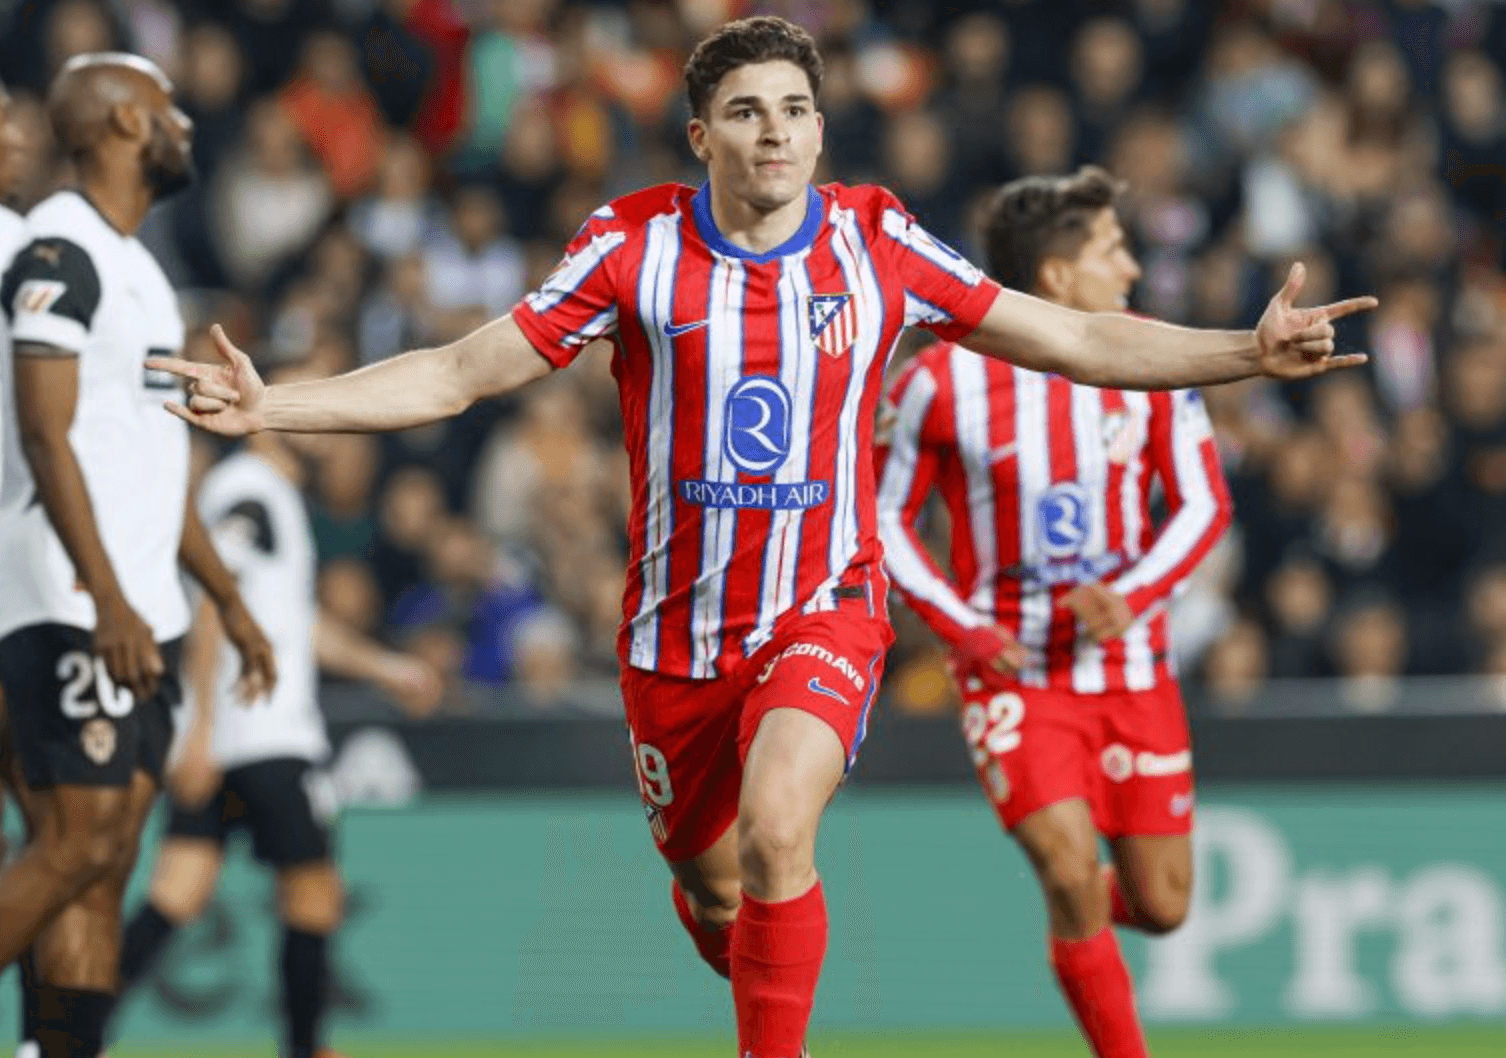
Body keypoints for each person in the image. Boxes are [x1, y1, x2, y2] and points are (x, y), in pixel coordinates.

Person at [146, 17, 1374, 1058]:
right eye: (746, 110)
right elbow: (461, 373)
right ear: (703, 137)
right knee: (718, 882)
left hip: (823, 609)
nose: (776, 129)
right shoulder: (631, 246)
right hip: (675, 641)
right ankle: (721, 913)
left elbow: (1074, 338)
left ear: (822, 131)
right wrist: (277, 403)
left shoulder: (876, 240)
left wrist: (1241, 352)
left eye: (796, 107)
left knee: (784, 828)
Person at [875, 166, 1231, 1058]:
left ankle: (1083, 927)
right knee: (1071, 869)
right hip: (1013, 671)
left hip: (1131, 663)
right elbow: (881, 518)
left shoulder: (1151, 356)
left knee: (1163, 903)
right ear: (1058, 277)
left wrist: (1135, 594)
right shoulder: (938, 382)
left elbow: (1202, 503)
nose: (1135, 270)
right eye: (1114, 250)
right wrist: (963, 628)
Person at [0, 54, 275, 1058]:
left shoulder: (140, 268)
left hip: (138, 600)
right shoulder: (58, 251)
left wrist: (227, 598)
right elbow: (44, 432)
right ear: (121, 122)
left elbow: (159, 460)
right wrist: (107, 594)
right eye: (166, 110)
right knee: (76, 841)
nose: (185, 126)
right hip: (73, 595)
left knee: (105, 855)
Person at [104, 358, 443, 1058]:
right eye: (296, 381)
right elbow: (211, 602)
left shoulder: (275, 498)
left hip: (233, 733)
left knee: (177, 894)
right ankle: (304, 1045)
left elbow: (294, 624)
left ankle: (71, 1031)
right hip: (261, 735)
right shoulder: (249, 487)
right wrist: (198, 729)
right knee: (314, 893)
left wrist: (388, 668)